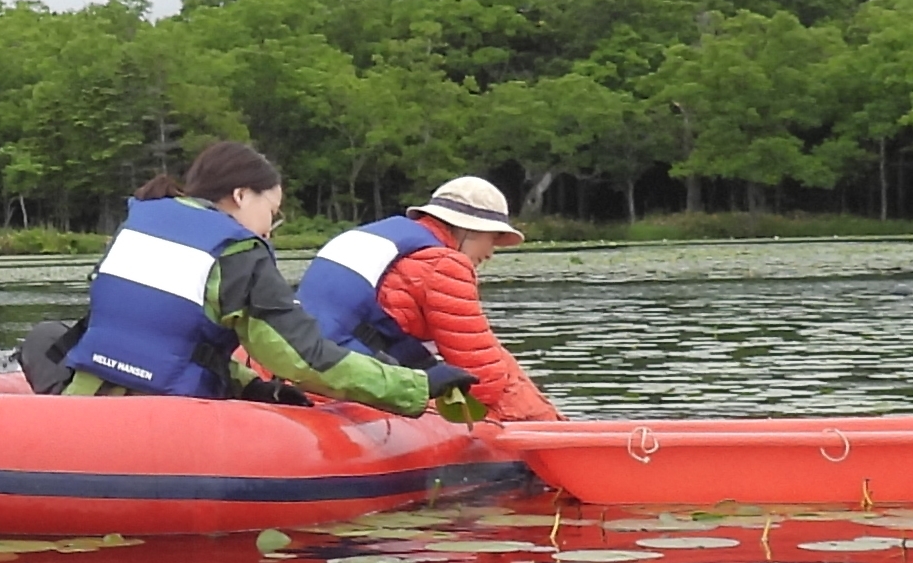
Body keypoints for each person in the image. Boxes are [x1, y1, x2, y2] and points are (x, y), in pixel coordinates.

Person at [37, 140, 433, 409]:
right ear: (242, 195)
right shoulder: (239, 252)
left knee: (45, 337)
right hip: (167, 418)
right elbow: (305, 358)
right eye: (272, 213)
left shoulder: (139, 223)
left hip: (85, 399)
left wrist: (250, 385)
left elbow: (175, 338)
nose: (268, 229)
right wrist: (416, 386)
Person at [293, 175, 558, 422]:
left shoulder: (374, 236)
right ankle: (555, 436)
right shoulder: (444, 265)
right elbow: (485, 382)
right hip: (351, 382)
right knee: (503, 381)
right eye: (492, 238)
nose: (490, 253)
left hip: (299, 368)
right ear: (468, 229)